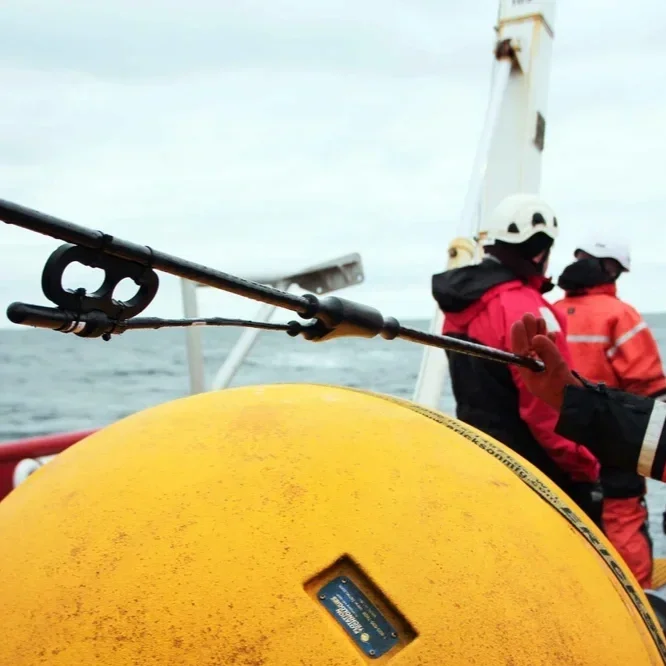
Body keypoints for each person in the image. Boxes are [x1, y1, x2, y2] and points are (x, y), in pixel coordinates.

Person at [431, 193, 601, 522]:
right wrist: (585, 470)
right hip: (537, 477)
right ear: (539, 251)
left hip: (482, 461)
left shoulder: (460, 306)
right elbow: (549, 410)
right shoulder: (528, 309)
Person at [553, 239, 666, 588]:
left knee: (567, 525)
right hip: (615, 443)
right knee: (623, 520)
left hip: (558, 443)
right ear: (612, 269)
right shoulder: (620, 315)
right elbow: (649, 386)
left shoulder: (550, 312)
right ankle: (638, 602)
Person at [510, 312, 666, 485]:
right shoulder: (621, 314)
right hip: (601, 457)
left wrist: (576, 400)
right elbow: (648, 385)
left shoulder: (556, 309)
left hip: (566, 457)